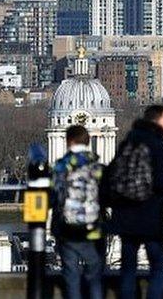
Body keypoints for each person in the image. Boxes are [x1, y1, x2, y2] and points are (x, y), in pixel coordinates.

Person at [104, 104, 163, 299]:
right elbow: (161, 183)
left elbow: (111, 176)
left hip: (125, 216)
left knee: (127, 269)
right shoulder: (159, 145)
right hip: (150, 216)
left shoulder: (128, 142)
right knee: (159, 267)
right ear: (156, 121)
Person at [52, 125, 105, 299]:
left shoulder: (61, 166)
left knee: (71, 276)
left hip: (67, 228)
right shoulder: (97, 166)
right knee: (95, 278)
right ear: (88, 141)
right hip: (93, 228)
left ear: (69, 141)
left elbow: (54, 196)